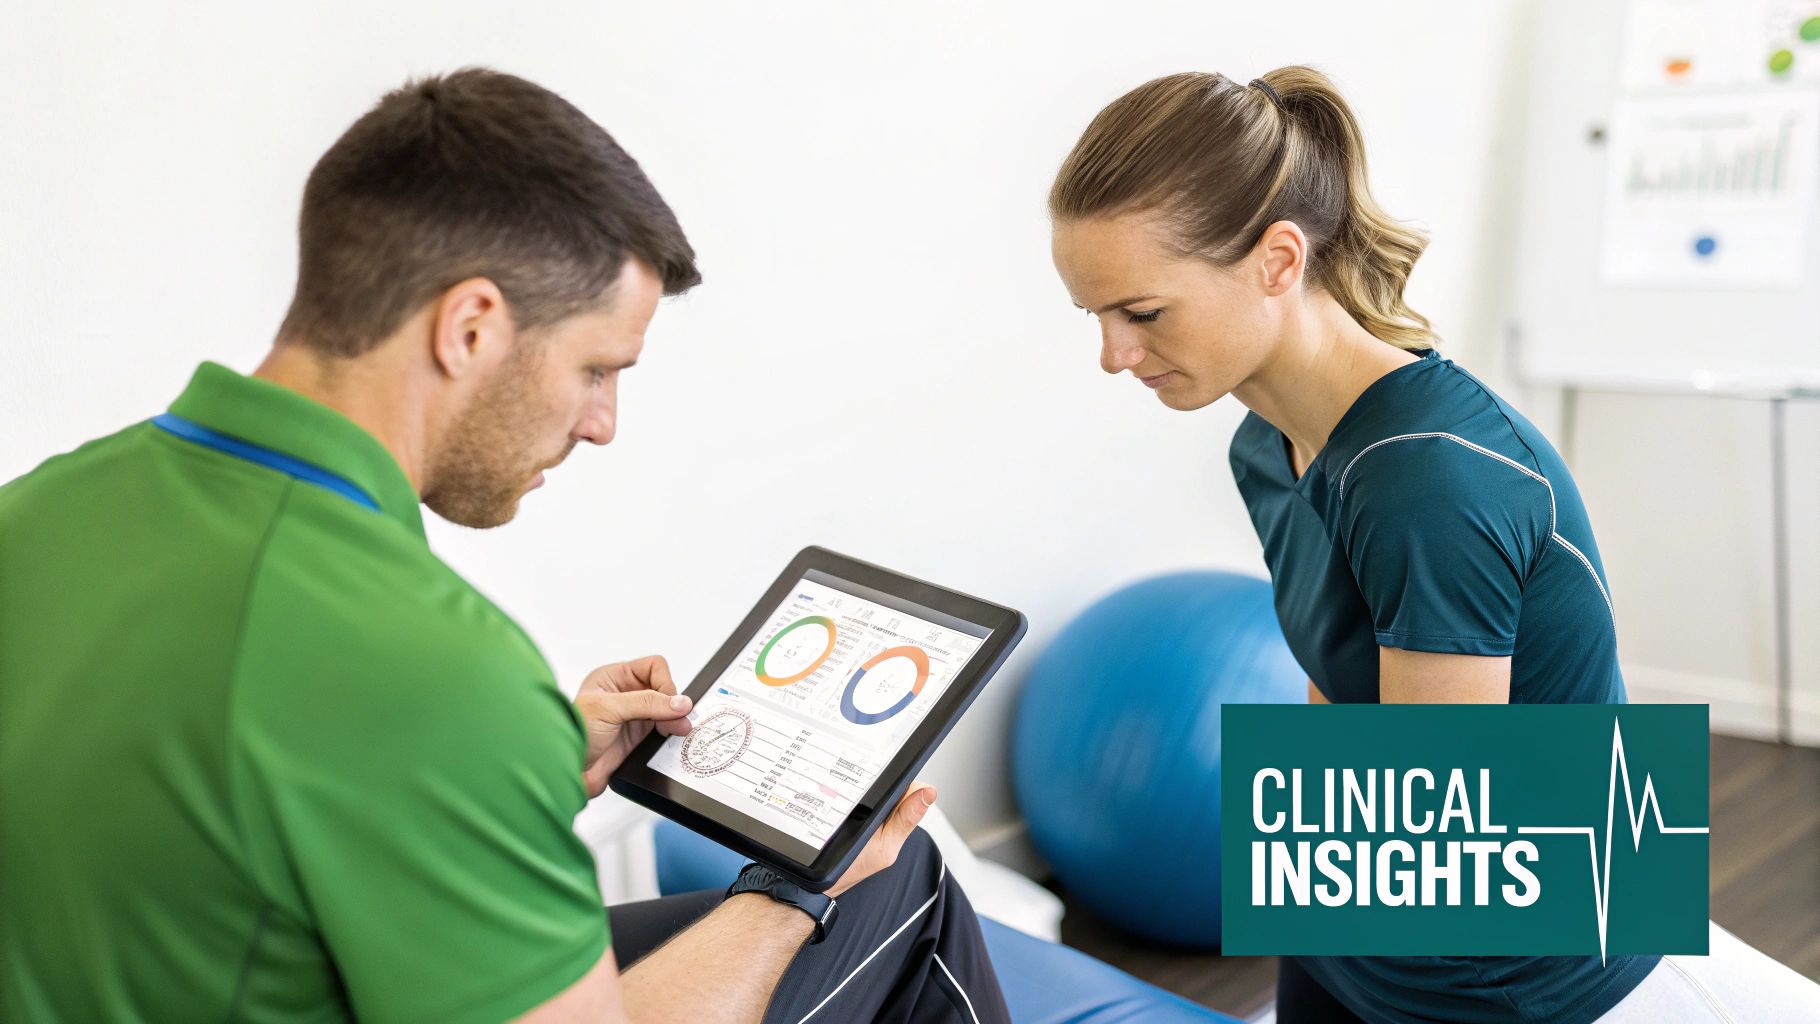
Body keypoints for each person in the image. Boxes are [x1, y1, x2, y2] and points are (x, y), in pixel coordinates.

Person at [0, 68, 1008, 1024]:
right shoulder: (433, 669)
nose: (604, 422)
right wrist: (798, 888)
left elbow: (210, 809)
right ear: (471, 326)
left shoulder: (39, 510)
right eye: (596, 369)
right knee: (896, 887)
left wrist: (525, 773)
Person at [1046, 65, 1820, 1023]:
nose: (1114, 356)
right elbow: (1342, 714)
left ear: (1279, 261)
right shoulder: (1266, 443)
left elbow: (1435, 827)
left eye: (1143, 313)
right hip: (1353, 938)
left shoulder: (1430, 476)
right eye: (1097, 316)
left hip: (1525, 975)